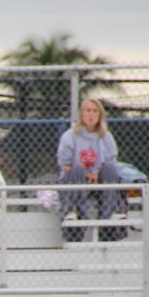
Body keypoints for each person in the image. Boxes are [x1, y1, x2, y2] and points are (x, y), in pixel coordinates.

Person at [57, 98, 124, 240]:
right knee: (77, 169)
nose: (91, 114)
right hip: (75, 180)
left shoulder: (106, 137)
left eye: (95, 111)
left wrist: (97, 173)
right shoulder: (70, 135)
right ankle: (73, 213)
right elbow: (64, 165)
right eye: (88, 110)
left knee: (111, 169)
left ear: (100, 115)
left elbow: (111, 161)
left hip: (97, 180)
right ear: (81, 114)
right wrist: (86, 174)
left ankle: (109, 218)